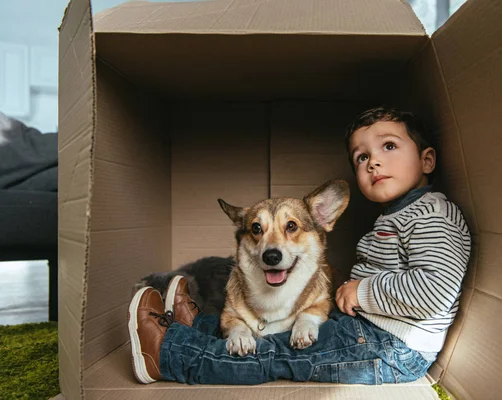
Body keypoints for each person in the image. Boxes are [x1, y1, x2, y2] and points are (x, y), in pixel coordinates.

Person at [128, 106, 471, 385]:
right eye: (361, 157)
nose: (374, 161)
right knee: (273, 335)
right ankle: (192, 324)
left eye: (389, 146)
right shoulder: (397, 215)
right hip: (369, 331)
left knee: (274, 355)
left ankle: (169, 355)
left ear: (427, 160)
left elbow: (435, 290)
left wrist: (360, 292)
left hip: (394, 348)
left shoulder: (432, 215)